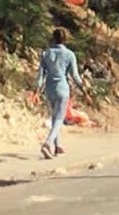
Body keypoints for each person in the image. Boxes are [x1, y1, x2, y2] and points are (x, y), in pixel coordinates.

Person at [35, 28, 88, 159]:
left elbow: (41, 75)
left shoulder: (46, 53)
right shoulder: (69, 55)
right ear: (65, 40)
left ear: (53, 38)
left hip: (49, 89)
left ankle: (57, 146)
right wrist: (85, 91)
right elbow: (75, 76)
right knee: (59, 119)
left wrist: (36, 91)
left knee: (54, 117)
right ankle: (47, 144)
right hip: (63, 89)